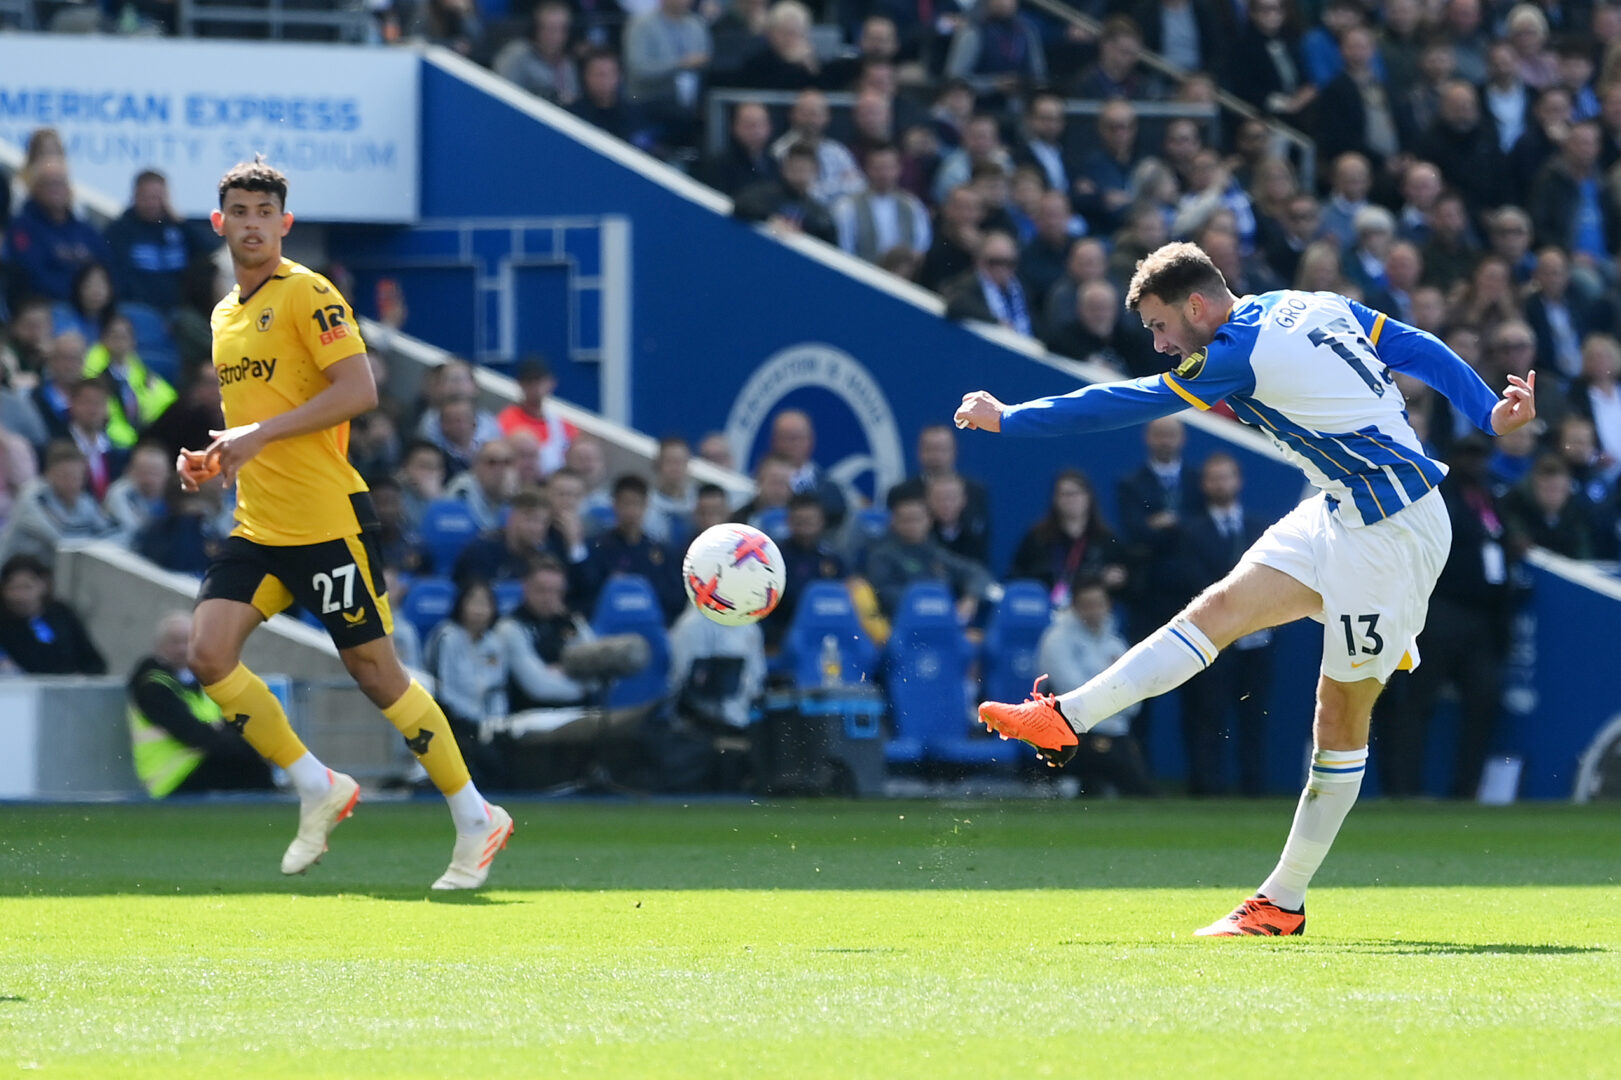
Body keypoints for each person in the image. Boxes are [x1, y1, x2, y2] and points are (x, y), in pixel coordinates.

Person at [957, 241, 1536, 935]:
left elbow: (1128, 401)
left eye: (1159, 326)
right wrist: (1484, 411)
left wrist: (1013, 416)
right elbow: (1411, 344)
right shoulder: (1302, 304)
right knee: (1220, 608)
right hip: (1338, 507)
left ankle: (1282, 901)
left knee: (1339, 712)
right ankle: (1066, 717)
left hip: (1391, 531)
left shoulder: (1234, 353)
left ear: (1195, 306)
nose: (1158, 342)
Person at [175, 159, 512, 890]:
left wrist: (257, 435)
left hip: (328, 522)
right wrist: (217, 458)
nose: (253, 222)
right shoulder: (223, 314)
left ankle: (474, 814)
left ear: (285, 223)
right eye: (240, 210)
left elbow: (360, 390)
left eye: (266, 210)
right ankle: (315, 783)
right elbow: (256, 426)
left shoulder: (310, 292)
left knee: (375, 673)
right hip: (259, 524)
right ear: (220, 223)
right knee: (207, 656)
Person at [1168, 453, 1275, 797]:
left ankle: (1253, 789)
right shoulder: (1190, 531)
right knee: (1208, 716)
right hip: (1212, 639)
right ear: (1204, 485)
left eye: (1226, 477)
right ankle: (1206, 789)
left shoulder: (1262, 529)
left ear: (1238, 480)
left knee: (1254, 719)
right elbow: (1191, 580)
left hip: (1258, 640)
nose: (1220, 484)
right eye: (1213, 478)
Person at [127, 612, 275, 798]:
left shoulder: (199, 680)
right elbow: (191, 731)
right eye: (175, 642)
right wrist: (236, 744)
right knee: (250, 767)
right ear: (159, 647)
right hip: (172, 777)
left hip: (199, 763)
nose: (182, 649)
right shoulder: (152, 685)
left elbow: (233, 720)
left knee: (254, 754)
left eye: (188, 641)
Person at [1036, 572, 1155, 797]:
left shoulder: (1116, 644)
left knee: (1125, 756)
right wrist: (1114, 693)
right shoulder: (1056, 640)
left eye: (1098, 604)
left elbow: (1135, 701)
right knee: (1133, 780)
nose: (1093, 612)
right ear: (1074, 606)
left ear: (1108, 605)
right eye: (1086, 605)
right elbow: (1073, 693)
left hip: (1115, 731)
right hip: (1073, 732)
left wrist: (1111, 701)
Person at [1008, 468, 1127, 609]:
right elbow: (1016, 575)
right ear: (1055, 499)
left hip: (1092, 614)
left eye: (1075, 493)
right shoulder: (1037, 536)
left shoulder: (1105, 538)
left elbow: (1124, 579)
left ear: (1089, 497)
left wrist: (1115, 577)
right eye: (1064, 494)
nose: (1070, 500)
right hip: (1045, 610)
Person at [103, 170, 219, 312]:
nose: (152, 203)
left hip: (179, 311)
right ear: (135, 196)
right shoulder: (119, 231)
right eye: (147, 197)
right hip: (137, 310)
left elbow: (213, 250)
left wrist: (181, 222)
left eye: (158, 197)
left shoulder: (179, 228)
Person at [0, 439, 121, 565]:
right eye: (64, 476)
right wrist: (94, 540)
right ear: (48, 474)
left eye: (76, 477)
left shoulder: (84, 502)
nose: (71, 483)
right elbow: (61, 539)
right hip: (12, 574)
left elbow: (114, 534)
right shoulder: (33, 496)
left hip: (51, 574)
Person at [0, 553, 106, 674]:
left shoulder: (61, 613)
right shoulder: (3, 623)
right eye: (13, 588)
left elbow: (93, 660)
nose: (20, 596)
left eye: (27, 587)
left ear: (43, 585)